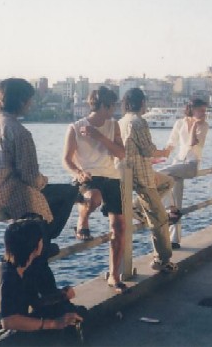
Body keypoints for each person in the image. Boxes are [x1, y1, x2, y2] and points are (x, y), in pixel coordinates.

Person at [0, 78, 79, 298]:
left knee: (33, 254)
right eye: (29, 100)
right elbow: (31, 178)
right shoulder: (18, 131)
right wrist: (45, 181)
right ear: (21, 101)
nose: (30, 105)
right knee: (69, 191)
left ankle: (43, 243)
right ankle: (45, 240)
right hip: (12, 195)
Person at [0, 220, 84, 347]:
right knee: (18, 335)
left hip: (3, 332)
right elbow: (9, 321)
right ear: (37, 245)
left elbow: (36, 302)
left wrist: (62, 297)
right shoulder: (6, 276)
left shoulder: (24, 270)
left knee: (68, 311)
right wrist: (53, 323)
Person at [62, 87, 129, 293]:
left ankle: (114, 275)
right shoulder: (75, 127)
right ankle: (82, 220)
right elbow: (66, 159)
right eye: (112, 106)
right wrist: (78, 172)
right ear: (103, 106)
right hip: (89, 177)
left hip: (112, 177)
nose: (114, 110)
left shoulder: (113, 125)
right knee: (94, 198)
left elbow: (121, 153)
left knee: (119, 228)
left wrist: (99, 136)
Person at [118, 88, 178, 273]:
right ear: (141, 102)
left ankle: (137, 207)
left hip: (131, 172)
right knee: (160, 219)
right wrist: (165, 152)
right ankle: (162, 260)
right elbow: (148, 150)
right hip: (142, 176)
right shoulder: (138, 122)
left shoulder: (121, 122)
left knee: (168, 181)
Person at [158, 98, 209, 249]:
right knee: (175, 199)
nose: (204, 114)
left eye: (205, 111)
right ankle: (174, 239)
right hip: (177, 163)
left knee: (158, 174)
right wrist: (158, 155)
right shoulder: (179, 123)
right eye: (201, 110)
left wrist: (194, 124)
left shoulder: (204, 126)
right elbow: (171, 143)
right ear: (192, 109)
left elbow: (193, 142)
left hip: (191, 164)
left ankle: (169, 209)